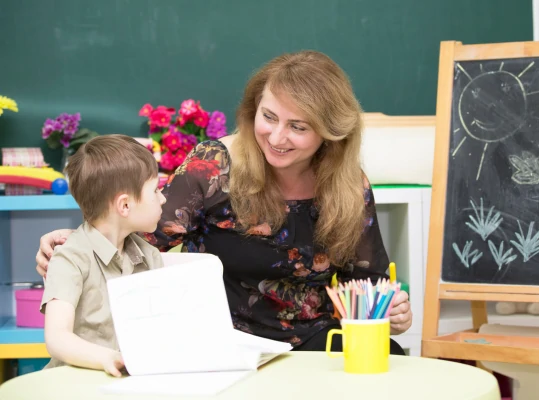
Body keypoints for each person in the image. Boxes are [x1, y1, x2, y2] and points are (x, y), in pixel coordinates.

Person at [36, 51, 412, 353]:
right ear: (253, 110)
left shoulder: (348, 186)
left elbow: (364, 288)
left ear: (330, 134)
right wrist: (78, 247)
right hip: (221, 343)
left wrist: (391, 313)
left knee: (390, 355)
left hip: (316, 345)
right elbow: (137, 234)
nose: (277, 137)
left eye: (298, 126)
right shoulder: (212, 167)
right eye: (268, 117)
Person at [41, 134, 166, 377]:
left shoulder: (150, 256)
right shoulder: (70, 258)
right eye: (156, 190)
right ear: (125, 205)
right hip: (75, 383)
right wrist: (107, 358)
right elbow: (56, 337)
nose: (163, 198)